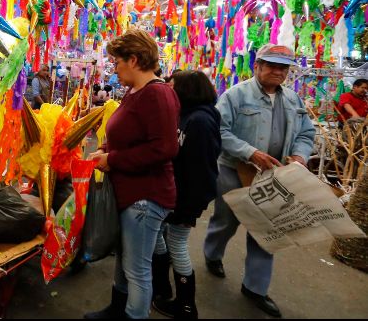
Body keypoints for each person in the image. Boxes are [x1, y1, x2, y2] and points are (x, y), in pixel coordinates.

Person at [203, 44, 315, 318]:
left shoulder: (292, 99)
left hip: (274, 176)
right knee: (226, 221)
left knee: (266, 230)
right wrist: (250, 152)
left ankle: (255, 287)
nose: (278, 72)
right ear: (258, 66)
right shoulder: (236, 95)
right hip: (234, 171)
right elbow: (219, 130)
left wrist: (300, 156)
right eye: (272, 65)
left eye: (283, 68)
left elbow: (306, 133)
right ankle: (212, 253)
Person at [85, 29, 180, 320]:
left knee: (137, 268)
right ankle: (118, 309)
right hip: (129, 192)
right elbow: (128, 134)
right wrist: (104, 148)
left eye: (117, 62)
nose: (114, 68)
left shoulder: (157, 94)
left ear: (134, 59)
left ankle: (134, 314)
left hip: (146, 196)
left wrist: (112, 160)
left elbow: (163, 148)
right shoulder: (135, 92)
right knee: (125, 259)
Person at [152, 71, 222, 319]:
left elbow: (202, 169)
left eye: (174, 87)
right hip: (174, 194)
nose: (170, 91)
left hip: (187, 198)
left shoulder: (201, 121)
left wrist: (191, 205)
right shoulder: (185, 115)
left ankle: (185, 306)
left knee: (178, 245)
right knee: (161, 238)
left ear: (188, 90)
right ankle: (161, 287)